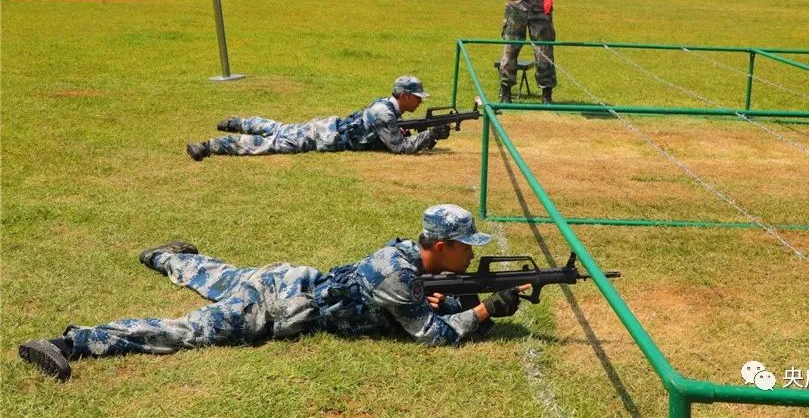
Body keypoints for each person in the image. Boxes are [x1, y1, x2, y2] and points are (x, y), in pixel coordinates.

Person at [18, 205, 525, 381]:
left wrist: (460, 299)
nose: (469, 254)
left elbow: (426, 300)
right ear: (439, 246)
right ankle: (68, 344)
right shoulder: (396, 276)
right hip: (276, 306)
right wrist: (482, 310)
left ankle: (165, 255)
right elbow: (431, 337)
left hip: (289, 279)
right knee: (187, 332)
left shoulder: (404, 258)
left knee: (218, 274)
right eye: (465, 247)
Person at [185, 75, 450, 160]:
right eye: (417, 97)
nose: (419, 101)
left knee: (277, 128)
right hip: (322, 136)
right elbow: (399, 148)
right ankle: (209, 146)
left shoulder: (386, 107)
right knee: (270, 142)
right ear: (403, 95)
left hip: (325, 127)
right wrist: (430, 135)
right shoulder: (384, 113)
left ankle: (238, 122)